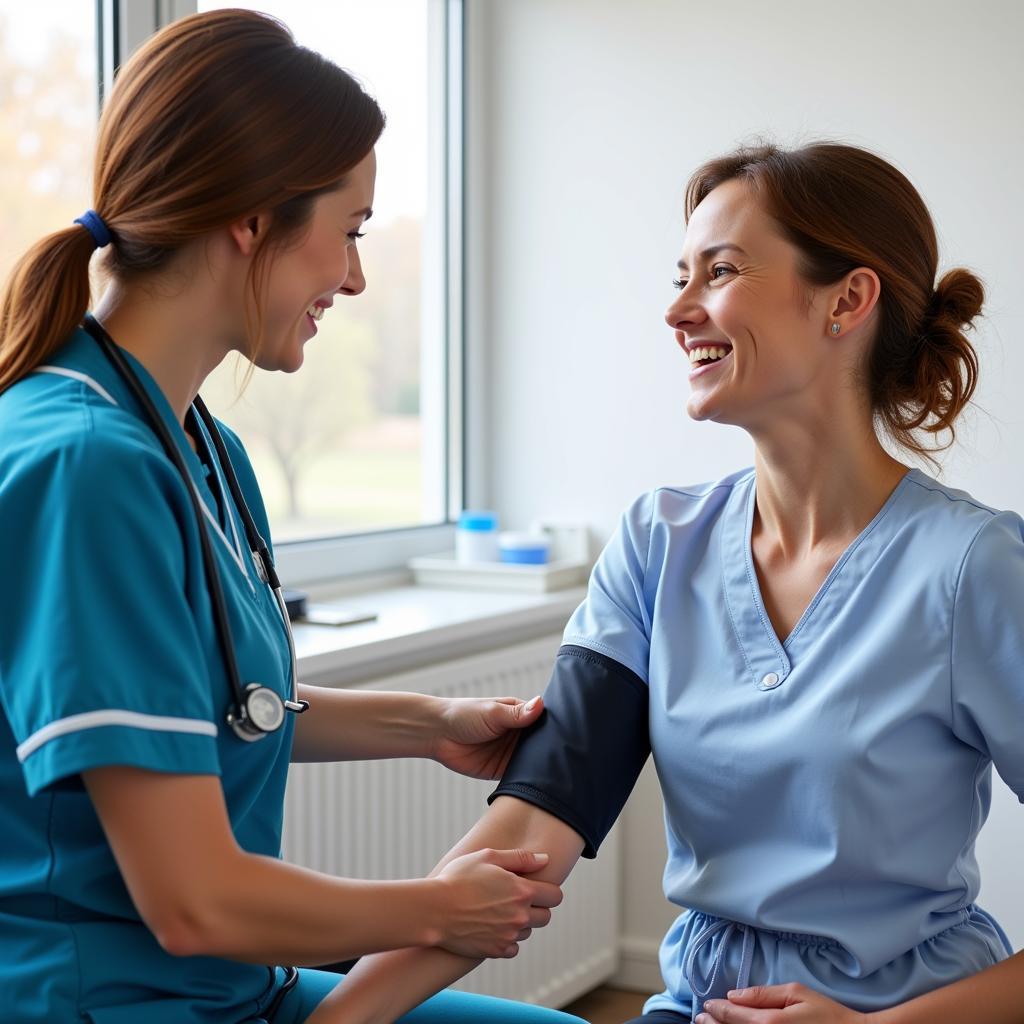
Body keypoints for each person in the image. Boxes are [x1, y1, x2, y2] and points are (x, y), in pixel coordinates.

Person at [306, 142, 1024, 1024]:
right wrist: (337, 1019)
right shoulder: (658, 544)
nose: (678, 310)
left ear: (848, 300)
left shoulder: (971, 569)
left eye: (718, 272)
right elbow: (537, 825)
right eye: (680, 275)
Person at [0, 10, 586, 1024]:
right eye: (349, 231)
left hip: (224, 987)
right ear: (252, 218)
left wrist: (431, 724)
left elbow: (224, 699)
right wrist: (438, 911)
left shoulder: (200, 448)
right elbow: (192, 902)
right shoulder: (86, 470)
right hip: (107, 999)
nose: (355, 276)